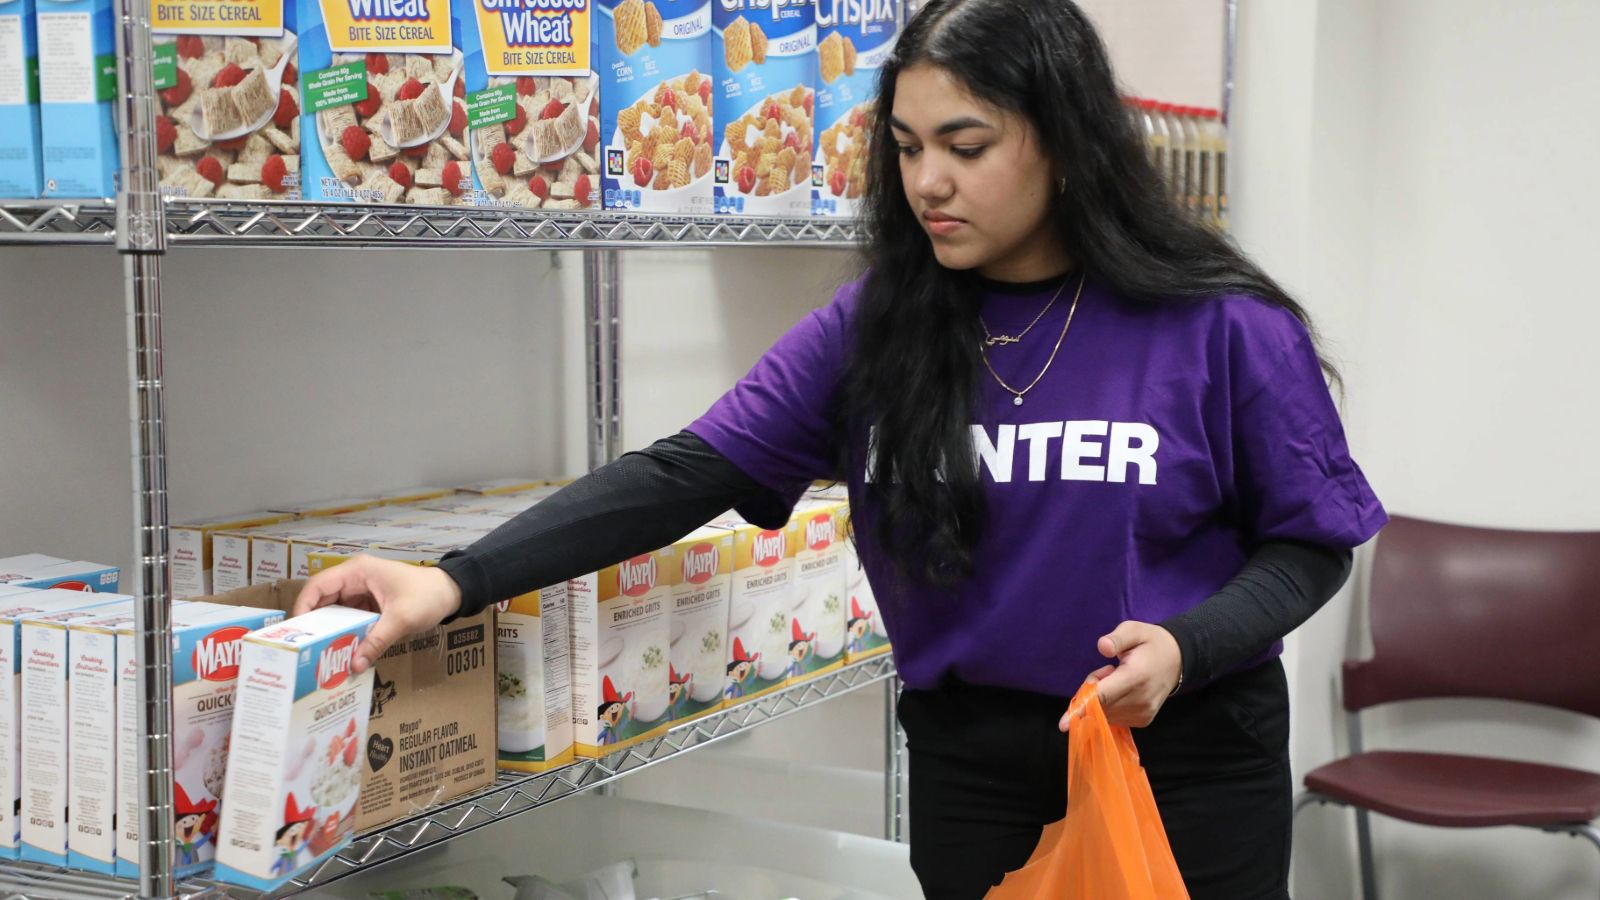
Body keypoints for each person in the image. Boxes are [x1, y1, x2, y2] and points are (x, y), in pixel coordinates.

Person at [294, 1, 1386, 896]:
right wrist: (452, 581)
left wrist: (1185, 648)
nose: (928, 184)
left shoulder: (1218, 324)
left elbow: (1307, 546)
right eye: (907, 149)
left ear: (1063, 140)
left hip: (1182, 758)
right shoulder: (880, 328)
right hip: (973, 769)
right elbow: (685, 474)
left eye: (966, 147)